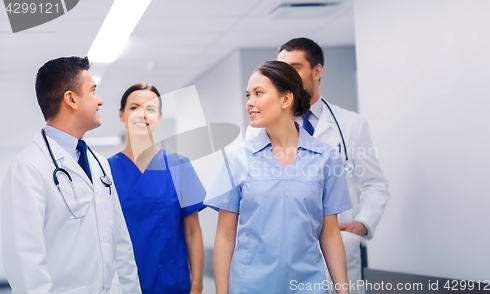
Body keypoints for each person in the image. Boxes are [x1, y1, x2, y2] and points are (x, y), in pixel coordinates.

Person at [245, 38, 390, 294]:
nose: (287, 74)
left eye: (295, 66)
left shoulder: (350, 125)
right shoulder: (258, 132)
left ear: (317, 70)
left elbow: (374, 184)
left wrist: (362, 225)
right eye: (282, 67)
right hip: (285, 258)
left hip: (341, 250)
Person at [205, 61, 352, 294]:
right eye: (248, 95)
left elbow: (330, 233)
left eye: (258, 93)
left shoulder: (325, 158)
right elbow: (224, 235)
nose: (249, 103)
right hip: (250, 286)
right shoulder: (236, 159)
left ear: (286, 99)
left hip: (308, 285)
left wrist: (344, 291)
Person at [0, 56, 141, 293]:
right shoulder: (28, 169)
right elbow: (26, 266)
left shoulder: (100, 165)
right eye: (93, 91)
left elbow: (121, 244)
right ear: (71, 99)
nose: (100, 100)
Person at [108, 83, 206, 294]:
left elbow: (192, 231)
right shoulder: (105, 171)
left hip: (172, 283)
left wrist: (197, 286)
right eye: (134, 107)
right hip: (122, 284)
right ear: (121, 115)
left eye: (150, 109)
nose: (142, 114)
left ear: (159, 118)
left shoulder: (178, 165)